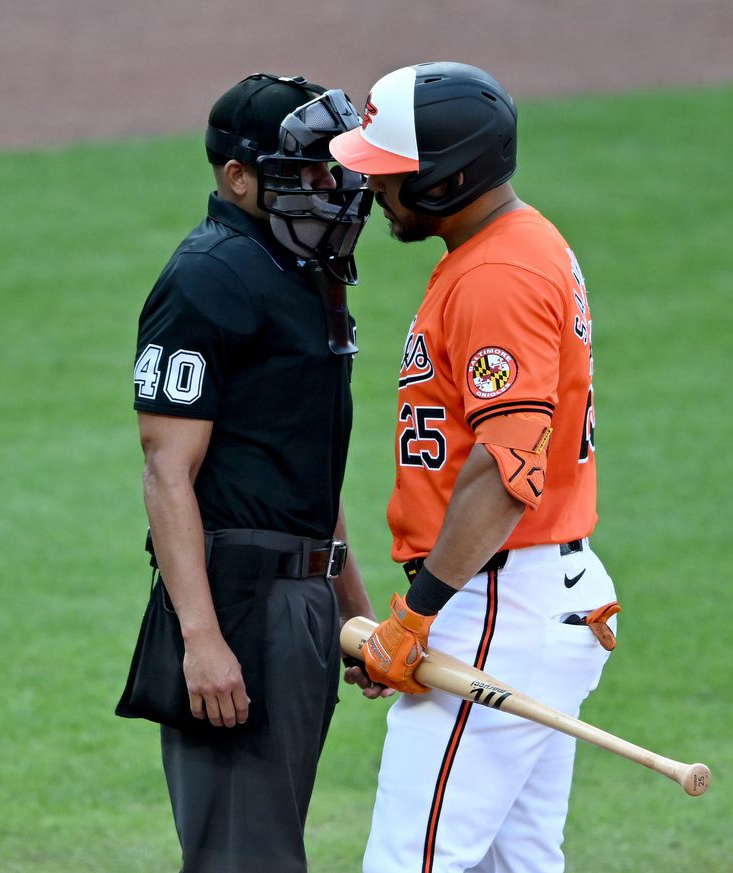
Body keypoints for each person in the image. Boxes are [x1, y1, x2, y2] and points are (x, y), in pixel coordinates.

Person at [329, 62, 623, 872]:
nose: (376, 192)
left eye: (390, 176)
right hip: (525, 591)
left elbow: (506, 466)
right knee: (515, 863)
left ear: (446, 177)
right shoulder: (506, 247)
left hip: (494, 598)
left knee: (409, 864)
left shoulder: (498, 271)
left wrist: (417, 617)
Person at [116, 73, 389, 873]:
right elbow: (167, 472)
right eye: (304, 171)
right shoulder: (209, 276)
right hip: (239, 604)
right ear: (238, 177)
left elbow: (312, 469)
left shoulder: (304, 274)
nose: (330, 188)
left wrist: (357, 614)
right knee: (245, 859)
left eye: (333, 169)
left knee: (265, 849)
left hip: (301, 604)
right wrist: (202, 639)